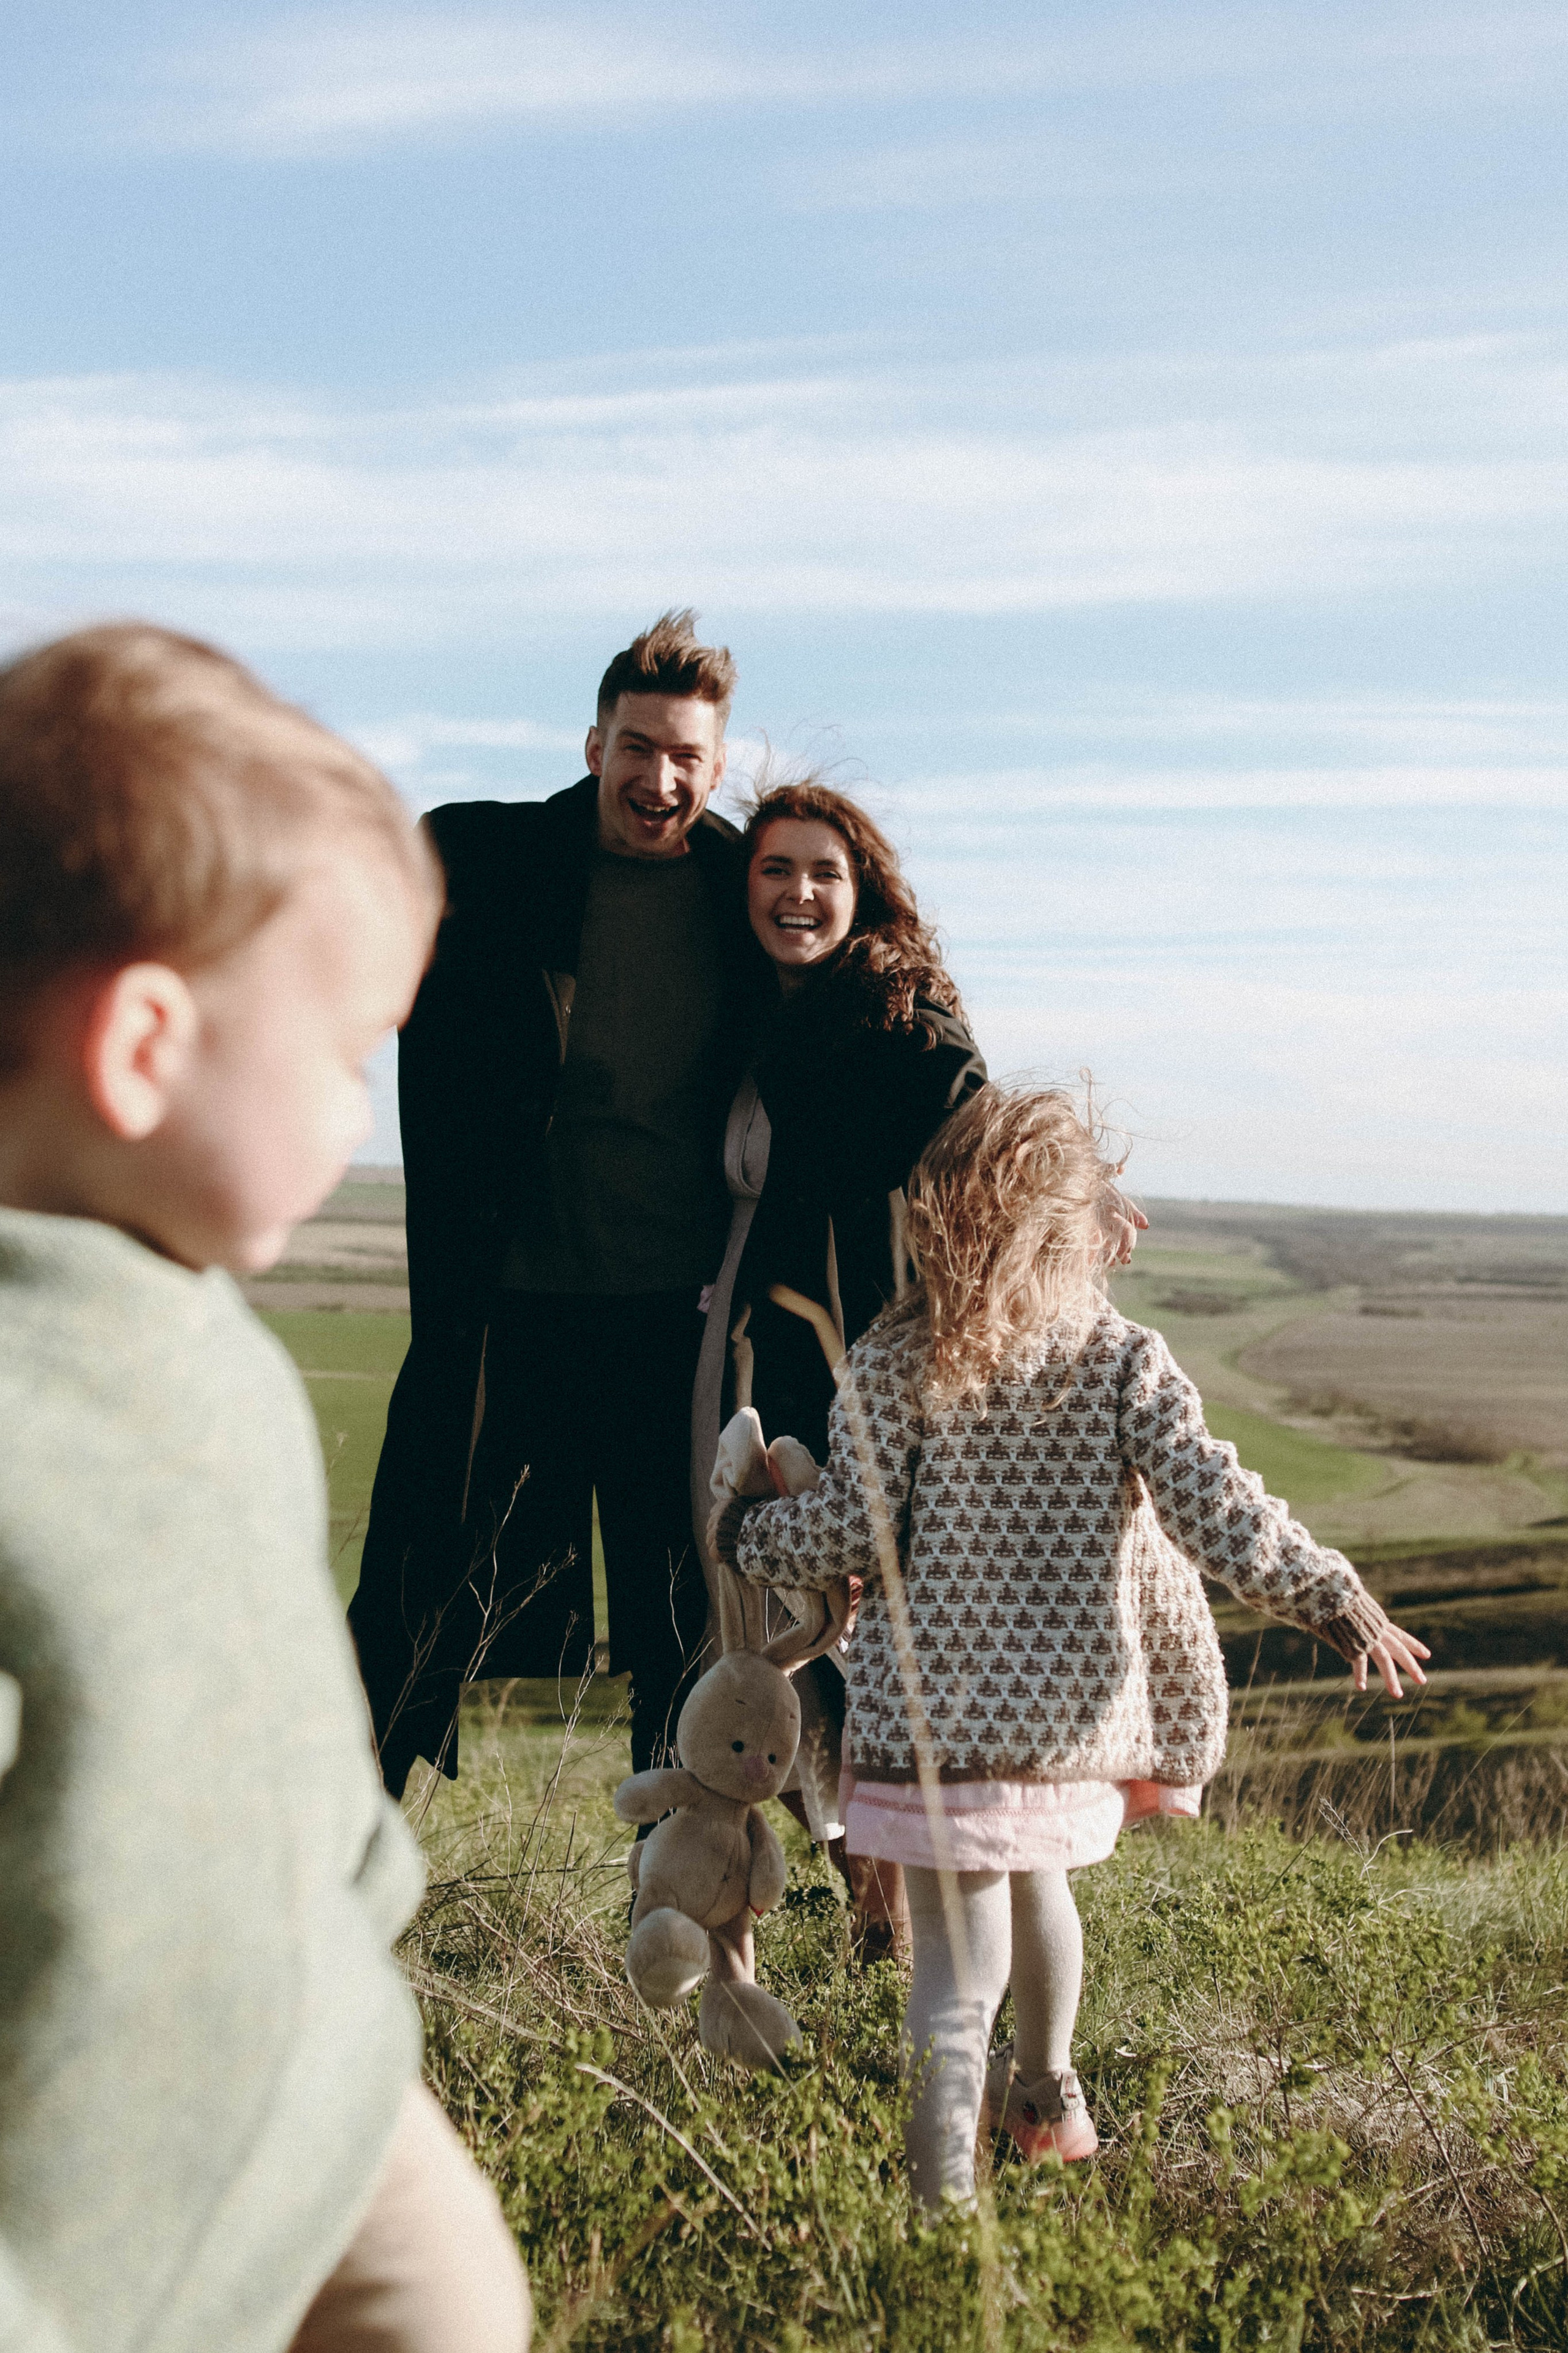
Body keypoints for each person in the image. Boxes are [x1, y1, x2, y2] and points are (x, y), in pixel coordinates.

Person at [0, 625, 530, 2348]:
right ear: (146, 1047)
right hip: (88, 2191)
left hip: (321, 2075)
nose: (359, 1116)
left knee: (455, 2307)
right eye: (342, 1052)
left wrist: (358, 1900)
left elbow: (273, 1693)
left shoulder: (211, 1345)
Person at [710, 1082, 1428, 2211]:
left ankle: (945, 2210)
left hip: (936, 1733)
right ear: (1065, 1234)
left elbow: (847, 1529)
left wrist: (747, 1532)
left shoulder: (896, 1363)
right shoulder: (1121, 1360)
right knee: (1042, 1885)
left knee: (954, 1980)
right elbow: (1217, 1503)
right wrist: (1329, 1592)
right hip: (1063, 1731)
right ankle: (1044, 2102)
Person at [350, 612, 772, 1799]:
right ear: (593, 746)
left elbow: (882, 1009)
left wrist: (1036, 1170)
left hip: (674, 1323)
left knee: (680, 1617)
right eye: (637, 747)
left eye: (686, 755)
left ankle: (680, 1889)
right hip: (502, 1312)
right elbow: (326, 932)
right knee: (418, 1595)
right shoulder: (481, 862)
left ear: (716, 765)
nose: (659, 778)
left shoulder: (747, 892)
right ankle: (344, 1862)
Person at [692, 780, 986, 1954]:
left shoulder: (899, 1007)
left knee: (866, 1639)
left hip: (872, 1360)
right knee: (785, 1635)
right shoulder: (747, 1008)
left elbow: (977, 1123)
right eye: (774, 870)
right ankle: (824, 1903)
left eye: (824, 871)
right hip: (762, 1348)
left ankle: (896, 1929)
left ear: (861, 888)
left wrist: (1079, 1196)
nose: (798, 893)